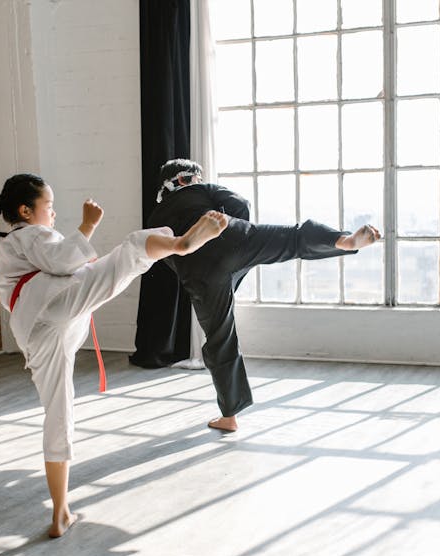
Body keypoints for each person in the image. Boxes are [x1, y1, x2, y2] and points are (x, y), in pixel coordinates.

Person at [0, 173, 227, 537]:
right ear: (25, 210)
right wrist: (87, 225)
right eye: (48, 207)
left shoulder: (9, 248)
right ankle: (179, 244)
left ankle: (60, 512)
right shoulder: (29, 234)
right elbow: (64, 260)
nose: (53, 215)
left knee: (58, 410)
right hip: (54, 306)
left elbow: (53, 268)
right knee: (132, 248)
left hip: (35, 330)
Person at [148, 158, 381, 433]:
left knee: (220, 337)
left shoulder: (156, 216)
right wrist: (240, 239)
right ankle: (344, 241)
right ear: (186, 179)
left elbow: (165, 255)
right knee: (293, 238)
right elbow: (240, 204)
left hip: (198, 273)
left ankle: (230, 416)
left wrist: (199, 276)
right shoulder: (202, 190)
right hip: (233, 238)